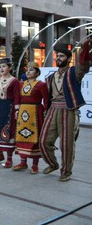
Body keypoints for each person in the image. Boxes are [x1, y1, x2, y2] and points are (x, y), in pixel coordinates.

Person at [39, 39, 91, 182]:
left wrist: (85, 45)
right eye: (57, 56)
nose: (58, 58)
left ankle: (66, 171)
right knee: (43, 141)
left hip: (68, 110)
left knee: (66, 144)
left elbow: (84, 63)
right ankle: (53, 164)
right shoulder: (50, 77)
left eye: (61, 56)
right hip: (52, 110)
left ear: (68, 59)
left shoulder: (75, 72)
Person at [14, 62, 48, 174]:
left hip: (35, 113)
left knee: (35, 137)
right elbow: (17, 99)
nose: (28, 72)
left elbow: (46, 100)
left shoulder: (41, 85)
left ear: (37, 72)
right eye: (27, 70)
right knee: (22, 136)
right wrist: (17, 111)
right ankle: (23, 162)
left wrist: (45, 113)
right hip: (23, 113)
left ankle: (35, 165)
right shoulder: (21, 84)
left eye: (31, 70)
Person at [0, 57, 20, 168]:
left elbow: (17, 97)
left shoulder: (14, 81)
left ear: (10, 68)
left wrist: (17, 110)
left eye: (4, 66)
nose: (2, 68)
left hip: (9, 108)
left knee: (8, 131)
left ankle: (9, 159)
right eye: (0, 66)